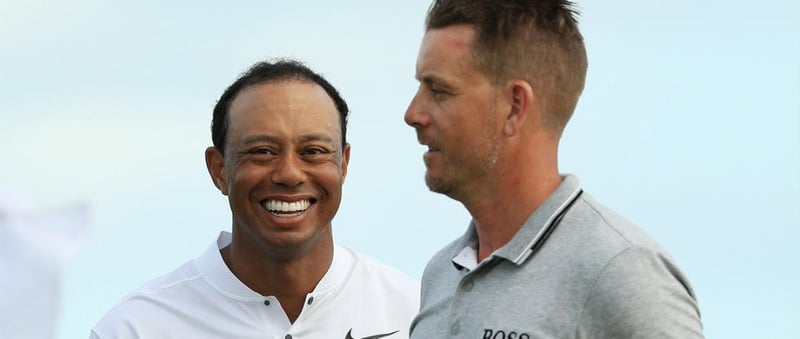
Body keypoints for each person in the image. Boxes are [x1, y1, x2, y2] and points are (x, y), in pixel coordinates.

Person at [404, 1, 704, 338]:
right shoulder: (442, 273)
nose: (413, 113)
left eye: (438, 90)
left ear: (515, 106)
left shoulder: (621, 271)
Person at [91, 59, 419, 339]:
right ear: (219, 169)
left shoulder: (415, 314)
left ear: (343, 164)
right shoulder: (136, 329)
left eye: (313, 152)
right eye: (262, 152)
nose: (290, 174)